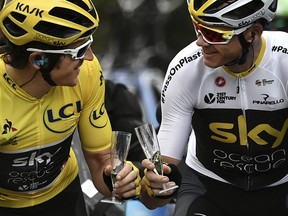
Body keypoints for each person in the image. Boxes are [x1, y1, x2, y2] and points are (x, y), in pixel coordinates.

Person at [140, 0, 288, 216]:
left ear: (253, 33)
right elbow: (152, 200)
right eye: (198, 29)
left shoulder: (283, 60)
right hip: (209, 187)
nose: (201, 43)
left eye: (215, 35)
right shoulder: (185, 69)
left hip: (281, 186)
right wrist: (153, 187)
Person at [0, 0, 141, 215]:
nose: (90, 57)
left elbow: (100, 160)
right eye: (80, 50)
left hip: (63, 195)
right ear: (39, 60)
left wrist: (116, 179)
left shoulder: (88, 72)